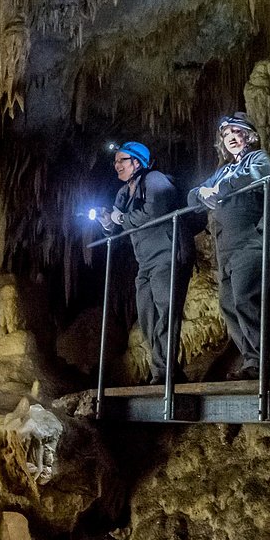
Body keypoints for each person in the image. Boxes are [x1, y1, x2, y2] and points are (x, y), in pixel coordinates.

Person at [188, 112, 270, 380]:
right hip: (226, 248)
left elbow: (257, 176)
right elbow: (193, 196)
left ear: (249, 136)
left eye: (236, 133)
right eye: (226, 135)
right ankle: (253, 360)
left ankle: (263, 363)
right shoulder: (222, 171)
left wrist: (220, 188)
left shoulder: (258, 159)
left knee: (246, 299)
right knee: (228, 304)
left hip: (254, 240)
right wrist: (202, 192)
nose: (231, 139)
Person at [99, 141, 193, 384]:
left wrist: (121, 218)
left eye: (122, 160)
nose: (116, 165)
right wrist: (108, 223)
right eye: (115, 161)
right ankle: (167, 369)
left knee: (166, 312)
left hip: (169, 252)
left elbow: (154, 212)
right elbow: (117, 228)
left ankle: (164, 373)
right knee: (147, 315)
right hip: (146, 262)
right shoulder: (123, 193)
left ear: (137, 162)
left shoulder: (155, 180)